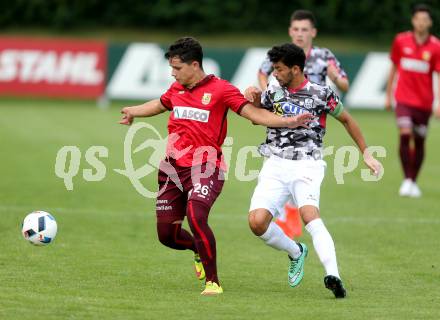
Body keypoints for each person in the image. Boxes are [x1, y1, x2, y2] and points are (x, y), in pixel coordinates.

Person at [119, 37, 312, 296]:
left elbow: (254, 115)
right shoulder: (176, 90)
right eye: (172, 68)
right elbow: (159, 104)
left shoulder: (221, 90)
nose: (172, 73)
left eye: (177, 68)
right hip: (171, 169)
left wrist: (288, 121)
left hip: (206, 167)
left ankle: (213, 282)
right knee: (167, 235)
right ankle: (198, 249)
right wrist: (133, 111)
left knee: (196, 216)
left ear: (194, 65)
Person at [245, 43, 382, 298]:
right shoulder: (273, 92)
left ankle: (334, 275)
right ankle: (296, 251)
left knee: (309, 215)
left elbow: (347, 120)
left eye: (279, 69)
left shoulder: (321, 94)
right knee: (256, 222)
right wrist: (252, 98)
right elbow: (254, 115)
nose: (274, 73)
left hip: (307, 163)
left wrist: (366, 153)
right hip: (274, 163)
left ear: (295, 69)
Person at [258, 9, 349, 237]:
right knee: (283, 165)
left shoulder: (324, 56)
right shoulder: (284, 57)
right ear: (290, 31)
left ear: (313, 32)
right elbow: (262, 72)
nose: (300, 34)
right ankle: (286, 214)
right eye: (296, 29)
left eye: (304, 30)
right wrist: (266, 92)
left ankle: (289, 214)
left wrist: (336, 77)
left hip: (311, 123)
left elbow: (345, 84)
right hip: (286, 116)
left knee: (300, 169)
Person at [385, 3, 440, 198]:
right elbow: (393, 67)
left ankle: (413, 180)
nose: (421, 23)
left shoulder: (436, 46)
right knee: (405, 133)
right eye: (418, 19)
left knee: (419, 141)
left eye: (425, 19)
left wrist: (438, 103)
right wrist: (388, 94)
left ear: (430, 22)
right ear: (413, 20)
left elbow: (438, 75)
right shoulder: (401, 41)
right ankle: (407, 180)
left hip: (424, 103)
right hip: (403, 99)